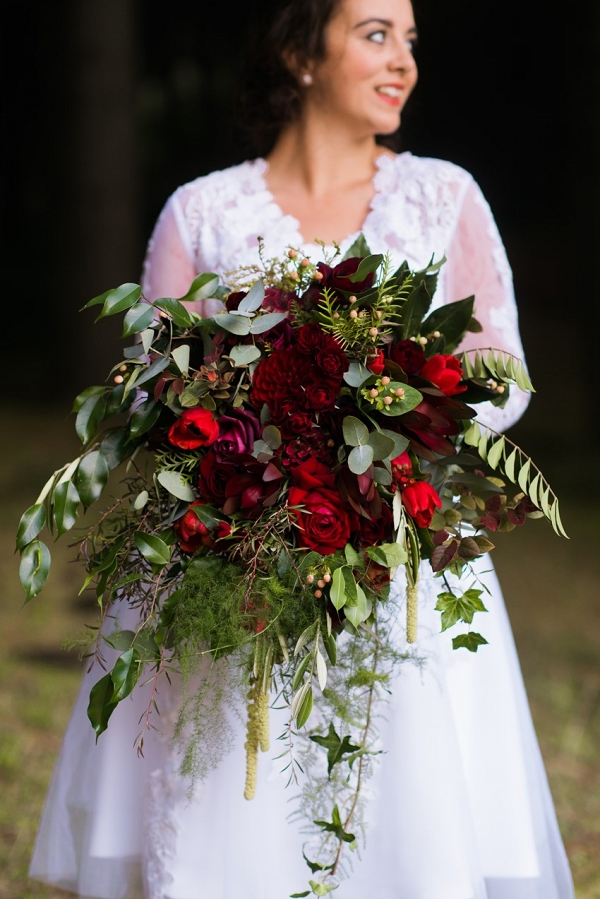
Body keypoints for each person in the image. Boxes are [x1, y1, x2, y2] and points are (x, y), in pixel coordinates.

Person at [29, 1, 575, 897]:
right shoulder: (202, 210)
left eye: (409, 40)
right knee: (227, 794)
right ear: (298, 53)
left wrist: (395, 411)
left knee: (405, 801)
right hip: (234, 559)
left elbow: (502, 371)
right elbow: (149, 386)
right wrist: (252, 427)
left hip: (399, 553)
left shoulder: (443, 195)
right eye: (374, 34)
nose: (402, 60)